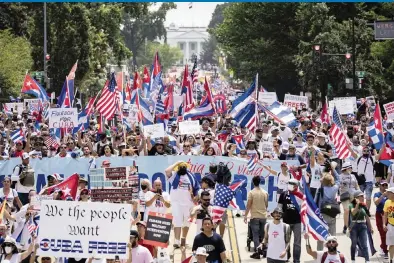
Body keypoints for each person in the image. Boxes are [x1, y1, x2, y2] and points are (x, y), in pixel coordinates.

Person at [165, 161, 200, 248]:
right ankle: (176, 241)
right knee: (177, 221)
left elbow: (197, 188)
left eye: (184, 166)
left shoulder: (191, 176)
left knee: (186, 223)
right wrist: (177, 162)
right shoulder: (174, 175)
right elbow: (167, 171)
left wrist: (196, 196)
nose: (182, 168)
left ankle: (183, 238)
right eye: (180, 166)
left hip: (188, 203)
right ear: (178, 167)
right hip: (176, 202)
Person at [244, 176, 268, 259]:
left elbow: (249, 204)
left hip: (254, 216)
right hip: (263, 216)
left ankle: (257, 252)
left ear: (253, 182)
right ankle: (264, 251)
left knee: (255, 235)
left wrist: (245, 215)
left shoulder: (251, 192)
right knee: (263, 235)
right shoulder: (265, 192)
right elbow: (266, 205)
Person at [278, 179, 302, 263]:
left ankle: (296, 260)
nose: (289, 185)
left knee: (297, 243)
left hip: (297, 222)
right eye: (289, 183)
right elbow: (279, 206)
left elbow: (304, 208)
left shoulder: (300, 195)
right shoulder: (283, 194)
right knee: (285, 241)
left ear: (296, 186)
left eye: (292, 184)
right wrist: (279, 214)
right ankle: (286, 257)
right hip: (286, 222)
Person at [349, 190, 373, 263]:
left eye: (363, 196)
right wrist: (357, 205)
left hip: (363, 225)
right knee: (354, 243)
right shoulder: (351, 205)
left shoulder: (364, 205)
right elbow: (353, 212)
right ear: (356, 197)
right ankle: (353, 259)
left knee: (364, 244)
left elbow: (367, 217)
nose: (363, 197)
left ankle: (367, 260)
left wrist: (370, 227)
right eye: (361, 196)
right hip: (354, 226)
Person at [339, 162, 359, 234]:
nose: (351, 168)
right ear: (346, 168)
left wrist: (359, 193)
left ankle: (354, 226)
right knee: (347, 210)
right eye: (350, 167)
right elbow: (338, 186)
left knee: (355, 210)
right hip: (345, 195)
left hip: (353, 195)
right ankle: (345, 226)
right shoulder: (340, 176)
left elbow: (356, 185)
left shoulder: (353, 176)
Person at [374, 180, 389, 259]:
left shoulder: (390, 194)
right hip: (380, 215)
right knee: (383, 234)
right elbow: (376, 202)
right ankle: (385, 250)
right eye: (383, 185)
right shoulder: (377, 194)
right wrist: (382, 196)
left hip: (389, 216)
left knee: (389, 234)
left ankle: (382, 246)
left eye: (386, 185)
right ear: (380, 186)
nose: (384, 187)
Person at [383, 187, 394, 263]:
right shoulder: (387, 202)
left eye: (389, 193)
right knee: (391, 244)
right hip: (390, 225)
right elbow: (385, 214)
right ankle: (391, 260)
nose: (387, 194)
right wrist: (384, 224)